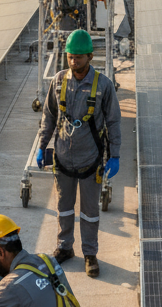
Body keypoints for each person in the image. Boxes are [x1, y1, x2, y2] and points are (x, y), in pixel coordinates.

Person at [37, 29, 121, 276]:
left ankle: (90, 253)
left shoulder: (103, 86)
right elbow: (49, 116)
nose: (74, 61)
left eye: (79, 57)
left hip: (90, 160)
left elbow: (114, 121)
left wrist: (114, 155)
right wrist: (42, 146)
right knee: (63, 207)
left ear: (90, 56)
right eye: (71, 56)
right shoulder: (59, 81)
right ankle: (64, 248)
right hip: (63, 159)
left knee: (90, 212)